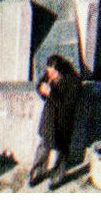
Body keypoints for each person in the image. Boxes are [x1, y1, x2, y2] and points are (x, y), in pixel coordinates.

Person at [28, 55, 81, 188]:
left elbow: (68, 104)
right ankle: (38, 172)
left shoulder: (73, 81)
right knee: (43, 147)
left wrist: (52, 93)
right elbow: (40, 85)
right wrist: (41, 89)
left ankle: (57, 176)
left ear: (61, 71)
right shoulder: (49, 75)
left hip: (63, 122)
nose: (50, 75)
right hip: (49, 119)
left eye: (53, 72)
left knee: (62, 150)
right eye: (48, 71)